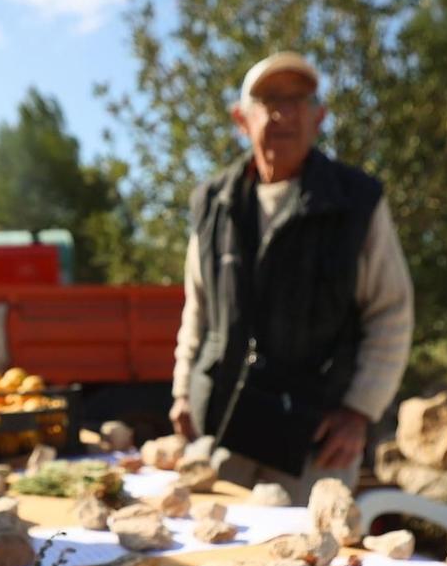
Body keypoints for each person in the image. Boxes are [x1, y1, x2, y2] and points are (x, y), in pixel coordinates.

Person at [169, 52, 414, 502]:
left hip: (312, 439)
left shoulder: (355, 202)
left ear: (318, 117)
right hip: (223, 428)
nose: (283, 113)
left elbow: (391, 311)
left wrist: (360, 410)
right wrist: (184, 391)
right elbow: (198, 309)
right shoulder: (213, 203)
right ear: (241, 119)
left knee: (308, 563)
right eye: (268, 99)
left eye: (298, 100)